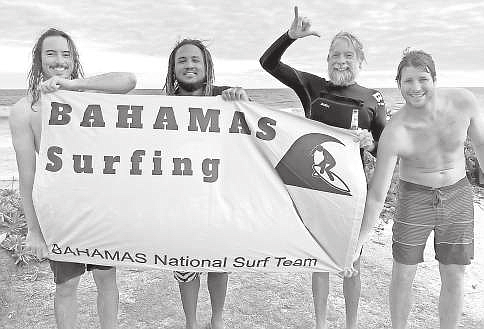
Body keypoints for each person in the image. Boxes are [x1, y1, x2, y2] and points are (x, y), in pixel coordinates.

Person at [259, 6, 387, 329]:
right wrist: (290, 37)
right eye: (334, 55)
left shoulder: (373, 99)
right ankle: (320, 323)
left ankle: (351, 324)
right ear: (326, 60)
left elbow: (388, 149)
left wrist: (371, 144)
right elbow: (268, 63)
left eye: (347, 55)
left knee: (353, 262)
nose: (340, 61)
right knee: (319, 260)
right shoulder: (313, 88)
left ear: (359, 61)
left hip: (354, 193)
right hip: (315, 189)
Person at [9, 28, 136, 329]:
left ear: (74, 59)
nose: (59, 60)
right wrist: (34, 231)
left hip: (98, 206)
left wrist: (70, 84)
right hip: (60, 211)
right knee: (66, 286)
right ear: (38, 59)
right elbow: (28, 176)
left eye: (66, 54)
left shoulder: (89, 96)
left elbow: (129, 80)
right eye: (51, 53)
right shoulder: (23, 110)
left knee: (107, 277)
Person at [356, 49, 481, 329]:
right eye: (407, 81)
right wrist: (360, 240)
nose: (415, 88)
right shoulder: (395, 131)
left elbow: (481, 145)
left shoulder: (464, 102)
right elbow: (378, 194)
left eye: (422, 79)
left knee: (455, 274)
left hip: (458, 193)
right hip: (414, 198)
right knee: (403, 274)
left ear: (435, 79)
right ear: (398, 83)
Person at [163, 38, 248, 329]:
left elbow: (251, 126)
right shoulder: (161, 104)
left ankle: (217, 319)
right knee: (185, 266)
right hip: (180, 199)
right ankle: (190, 322)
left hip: (218, 195)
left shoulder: (224, 97)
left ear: (206, 65)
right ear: (173, 68)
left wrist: (241, 98)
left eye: (195, 60)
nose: (189, 65)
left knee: (219, 261)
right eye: (182, 61)